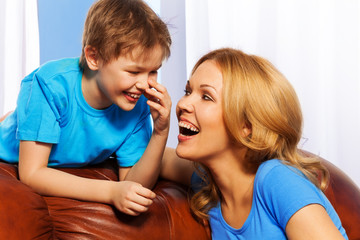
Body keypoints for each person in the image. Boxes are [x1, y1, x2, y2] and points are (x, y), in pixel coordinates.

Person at [0, 0, 172, 216]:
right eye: (134, 72)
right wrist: (110, 191)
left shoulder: (137, 104)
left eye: (153, 71)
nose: (146, 84)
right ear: (94, 58)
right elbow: (32, 173)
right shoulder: (49, 85)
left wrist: (160, 132)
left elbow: (133, 185)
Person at [161, 48, 348, 239]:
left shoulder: (278, 179)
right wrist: (159, 130)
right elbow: (158, 160)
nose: (183, 104)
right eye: (188, 91)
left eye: (206, 97)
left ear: (246, 126)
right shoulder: (208, 182)